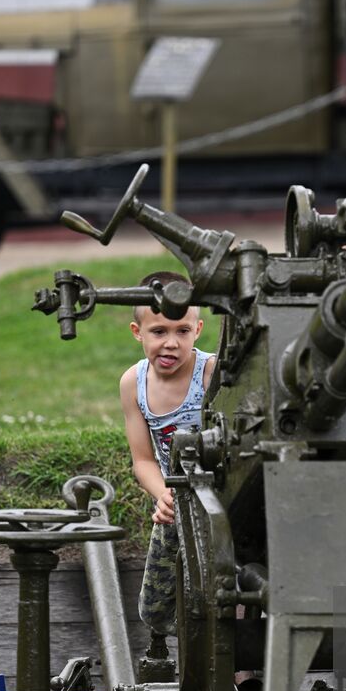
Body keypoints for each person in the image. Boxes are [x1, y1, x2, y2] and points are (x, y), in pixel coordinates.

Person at [119, 271, 217, 640]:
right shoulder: (133, 383)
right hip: (176, 503)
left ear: (198, 329)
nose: (171, 343)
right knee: (155, 610)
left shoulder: (210, 373)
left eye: (182, 331)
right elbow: (143, 460)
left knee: (222, 593)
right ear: (137, 332)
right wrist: (163, 495)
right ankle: (199, 650)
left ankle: (230, 656)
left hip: (222, 500)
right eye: (159, 331)